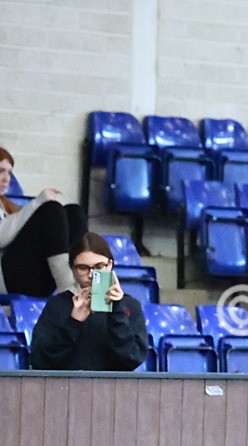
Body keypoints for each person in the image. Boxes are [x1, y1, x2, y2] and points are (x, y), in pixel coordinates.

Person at [30, 232, 149, 371]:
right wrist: (73, 322)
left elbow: (132, 359)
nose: (92, 275)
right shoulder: (57, 305)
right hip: (66, 389)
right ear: (72, 269)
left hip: (112, 389)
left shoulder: (129, 306)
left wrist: (116, 311)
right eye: (83, 268)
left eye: (99, 267)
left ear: (110, 265)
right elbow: (40, 360)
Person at [0, 146, 88, 296]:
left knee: (74, 212)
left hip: (32, 278)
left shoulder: (6, 205)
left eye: (9, 172)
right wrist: (37, 202)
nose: (7, 179)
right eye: (1, 171)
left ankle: (82, 282)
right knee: (51, 210)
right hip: (6, 281)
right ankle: (69, 291)